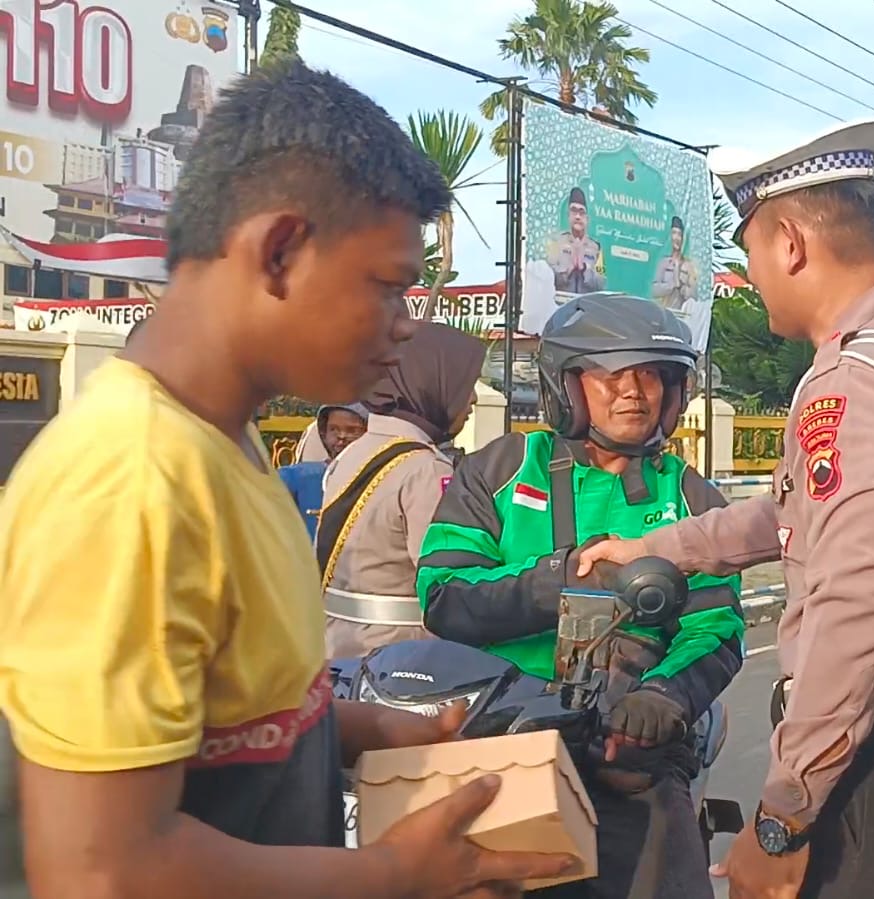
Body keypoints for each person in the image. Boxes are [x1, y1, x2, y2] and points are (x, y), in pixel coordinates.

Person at [0, 60, 572, 896]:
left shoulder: (229, 446)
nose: (407, 327)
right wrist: (392, 876)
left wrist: (371, 730)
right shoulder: (131, 482)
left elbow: (219, 722)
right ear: (279, 251)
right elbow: (100, 871)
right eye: (387, 286)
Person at [576, 119, 874, 899]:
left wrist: (784, 812)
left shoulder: (852, 382)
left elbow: (857, 602)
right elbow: (796, 515)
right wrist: (659, 544)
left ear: (788, 243)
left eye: (748, 250)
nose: (750, 273)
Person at [417, 293, 743, 899]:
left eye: (652, 375)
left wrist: (662, 697)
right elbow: (444, 594)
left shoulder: (692, 499)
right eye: (609, 374)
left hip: (631, 746)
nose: (633, 392)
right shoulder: (502, 469)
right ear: (565, 385)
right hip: (504, 731)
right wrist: (560, 579)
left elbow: (715, 627)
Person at [320, 322, 486, 660]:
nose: (473, 399)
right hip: (397, 655)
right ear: (432, 382)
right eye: (465, 384)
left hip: (336, 644)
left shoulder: (355, 450)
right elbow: (441, 581)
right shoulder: (425, 468)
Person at [277, 402, 369, 539]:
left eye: (352, 430)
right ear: (323, 433)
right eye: (334, 429)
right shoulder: (297, 478)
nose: (342, 436)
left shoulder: (380, 479)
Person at [548, 186, 606, 293]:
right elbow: (549, 277)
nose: (578, 216)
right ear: (568, 216)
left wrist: (583, 268)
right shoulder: (556, 242)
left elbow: (601, 282)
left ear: (587, 219)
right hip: (562, 305)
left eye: (581, 212)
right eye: (574, 211)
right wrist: (569, 269)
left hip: (586, 307)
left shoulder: (596, 248)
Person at [651, 215, 699, 312]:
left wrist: (682, 288)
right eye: (674, 233)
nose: (676, 238)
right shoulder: (663, 263)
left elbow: (694, 295)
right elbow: (654, 290)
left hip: (682, 315)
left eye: (679, 234)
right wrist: (672, 285)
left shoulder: (689, 266)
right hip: (663, 312)